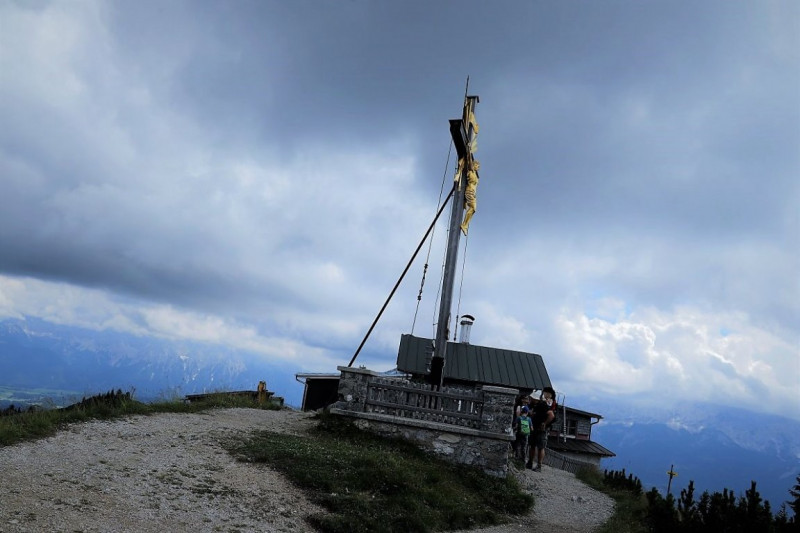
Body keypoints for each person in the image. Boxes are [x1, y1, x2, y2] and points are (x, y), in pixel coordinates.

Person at [527, 386, 557, 471]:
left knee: (539, 446)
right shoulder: (543, 403)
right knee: (534, 445)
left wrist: (544, 423)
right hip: (536, 426)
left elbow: (551, 415)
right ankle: (531, 463)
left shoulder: (545, 404)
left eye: (547, 393)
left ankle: (538, 465)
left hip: (541, 428)